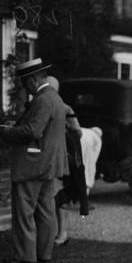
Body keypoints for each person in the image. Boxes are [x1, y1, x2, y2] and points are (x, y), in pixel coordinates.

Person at [0, 58, 67, 263]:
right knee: (46, 210)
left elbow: (34, 130)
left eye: (24, 83)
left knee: (25, 212)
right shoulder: (54, 97)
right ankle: (44, 253)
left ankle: (25, 257)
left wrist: (8, 131)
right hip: (48, 164)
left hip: (33, 164)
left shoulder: (42, 99)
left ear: (32, 80)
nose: (25, 87)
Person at [45, 76, 88, 246]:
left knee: (62, 196)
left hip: (65, 158)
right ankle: (54, 232)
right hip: (49, 157)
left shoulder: (64, 108)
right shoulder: (43, 104)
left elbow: (78, 132)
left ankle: (62, 233)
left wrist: (64, 130)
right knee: (52, 196)